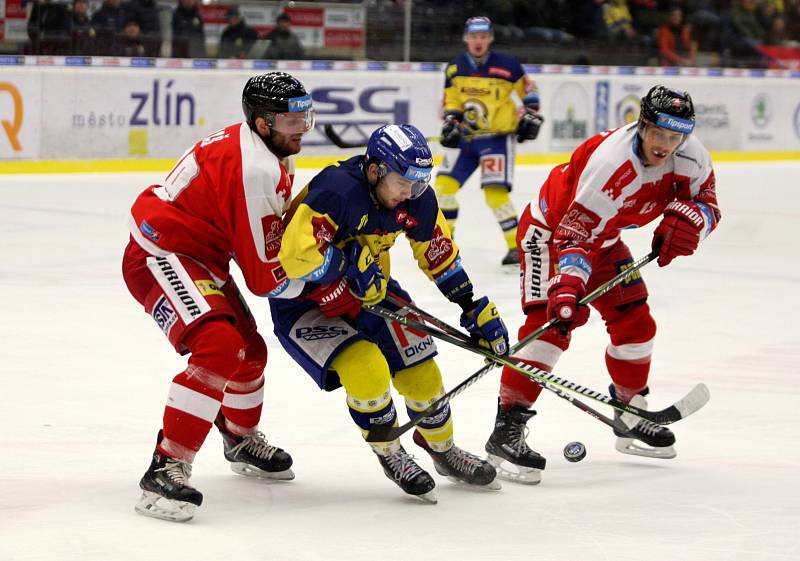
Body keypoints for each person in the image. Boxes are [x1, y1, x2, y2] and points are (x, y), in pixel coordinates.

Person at [484, 85, 720, 484]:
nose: (666, 144)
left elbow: (709, 202)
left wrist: (693, 222)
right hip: (550, 233)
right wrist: (566, 288)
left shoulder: (691, 155)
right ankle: (506, 428)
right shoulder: (611, 165)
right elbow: (575, 236)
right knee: (550, 328)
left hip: (605, 240)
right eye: (659, 133)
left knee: (636, 322)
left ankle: (630, 411)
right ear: (642, 125)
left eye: (675, 135)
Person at [272, 124, 508, 502]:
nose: (410, 193)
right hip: (305, 301)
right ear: (374, 170)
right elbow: (295, 255)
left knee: (423, 373)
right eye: (403, 182)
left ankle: (443, 450)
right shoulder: (337, 191)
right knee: (367, 370)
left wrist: (473, 307)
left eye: (419, 183)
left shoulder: (416, 198)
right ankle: (391, 452)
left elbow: (438, 254)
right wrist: (346, 268)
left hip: (372, 292)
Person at [122, 72, 315, 522]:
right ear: (263, 122)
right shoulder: (255, 168)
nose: (303, 128)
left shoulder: (269, 148)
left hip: (200, 256)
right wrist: (324, 283)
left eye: (306, 116)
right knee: (220, 349)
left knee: (251, 354)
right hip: (161, 254)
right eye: (292, 120)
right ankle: (166, 466)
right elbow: (264, 278)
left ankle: (239, 436)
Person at [434, 16, 544, 267]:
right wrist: (452, 120)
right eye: (474, 36)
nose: (478, 41)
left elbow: (529, 89)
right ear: (466, 38)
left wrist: (530, 112)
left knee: (495, 194)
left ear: (490, 38)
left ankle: (517, 248)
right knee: (442, 189)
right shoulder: (455, 67)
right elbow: (451, 101)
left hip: (496, 140)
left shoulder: (508, 65)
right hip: (466, 140)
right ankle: (445, 244)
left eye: (483, 37)